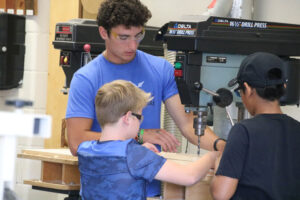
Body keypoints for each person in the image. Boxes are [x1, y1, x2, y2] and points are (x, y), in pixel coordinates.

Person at [66, 0, 225, 196]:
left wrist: (220, 146)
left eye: (138, 35)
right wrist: (140, 136)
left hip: (153, 190)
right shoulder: (86, 78)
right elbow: (76, 142)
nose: (132, 45)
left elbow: (186, 123)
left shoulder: (160, 68)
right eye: (123, 37)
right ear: (103, 33)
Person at [77, 80, 219, 200]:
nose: (141, 122)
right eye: (139, 117)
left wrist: (140, 151)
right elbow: (189, 176)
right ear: (127, 118)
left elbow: (117, 160)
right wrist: (213, 156)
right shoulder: (135, 155)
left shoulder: (84, 149)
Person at [210, 52, 300, 200]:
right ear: (283, 86)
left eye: (240, 92)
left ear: (248, 89)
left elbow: (221, 194)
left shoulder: (243, 131)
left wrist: (220, 165)